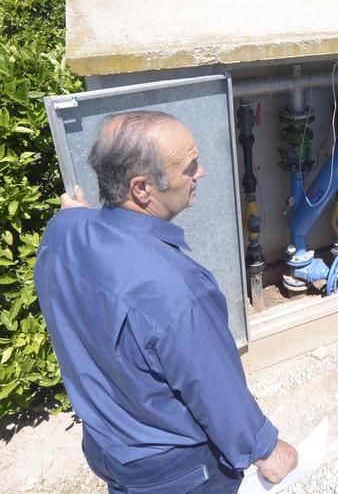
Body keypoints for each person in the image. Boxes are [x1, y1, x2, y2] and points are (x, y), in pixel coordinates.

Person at [35, 110, 298, 493]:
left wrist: (76, 221)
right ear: (142, 188)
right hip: (176, 471)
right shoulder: (178, 288)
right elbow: (213, 390)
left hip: (107, 448)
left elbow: (83, 234)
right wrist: (267, 451)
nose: (201, 172)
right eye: (190, 166)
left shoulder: (61, 232)